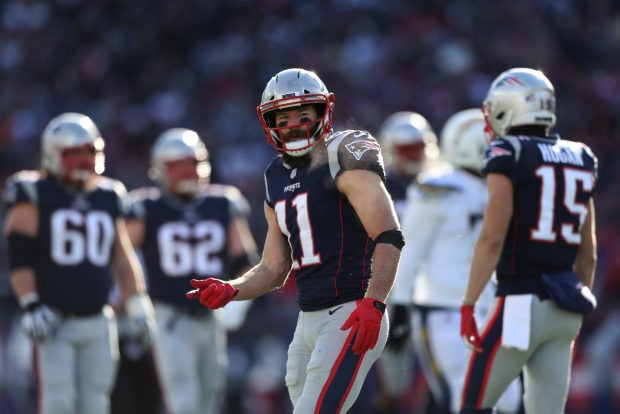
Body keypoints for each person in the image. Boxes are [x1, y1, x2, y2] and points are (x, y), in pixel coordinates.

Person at [186, 67, 403, 413]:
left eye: (304, 114)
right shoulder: (275, 175)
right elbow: (273, 266)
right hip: (308, 319)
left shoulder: (344, 153)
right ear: (269, 122)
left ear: (323, 112)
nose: (294, 125)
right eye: (283, 118)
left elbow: (389, 234)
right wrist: (232, 289)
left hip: (351, 311)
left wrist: (373, 302)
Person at [459, 67, 598, 414]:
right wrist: (572, 304)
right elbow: (588, 254)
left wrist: (468, 303)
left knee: (473, 407)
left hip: (520, 305)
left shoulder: (510, 151)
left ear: (509, 106)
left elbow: (492, 238)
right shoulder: (582, 156)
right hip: (566, 308)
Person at [2, 112, 156, 414]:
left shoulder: (109, 195)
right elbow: (20, 254)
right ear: (53, 155)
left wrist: (136, 299)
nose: (84, 162)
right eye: (74, 155)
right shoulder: (34, 191)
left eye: (89, 153)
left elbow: (121, 255)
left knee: (96, 402)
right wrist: (30, 301)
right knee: (58, 401)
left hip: (100, 318)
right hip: (55, 317)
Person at [390, 108, 522, 414]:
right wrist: (398, 304)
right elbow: (411, 250)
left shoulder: (477, 186)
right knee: (472, 397)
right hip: (449, 308)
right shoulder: (442, 186)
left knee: (499, 399)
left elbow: (410, 251)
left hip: (478, 308)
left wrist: (399, 305)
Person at [125, 127, 259, 414]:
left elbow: (244, 258)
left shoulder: (223, 202)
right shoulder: (146, 206)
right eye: (178, 165)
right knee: (183, 398)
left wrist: (239, 298)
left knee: (211, 397)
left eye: (193, 163)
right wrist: (132, 299)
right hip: (169, 315)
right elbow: (121, 256)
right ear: (161, 169)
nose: (188, 172)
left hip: (212, 315)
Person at [373, 111, 439, 413]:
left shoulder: (441, 184)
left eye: (418, 147)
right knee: (393, 387)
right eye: (406, 149)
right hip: (391, 294)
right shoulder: (378, 188)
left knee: (439, 382)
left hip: (436, 292)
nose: (414, 156)